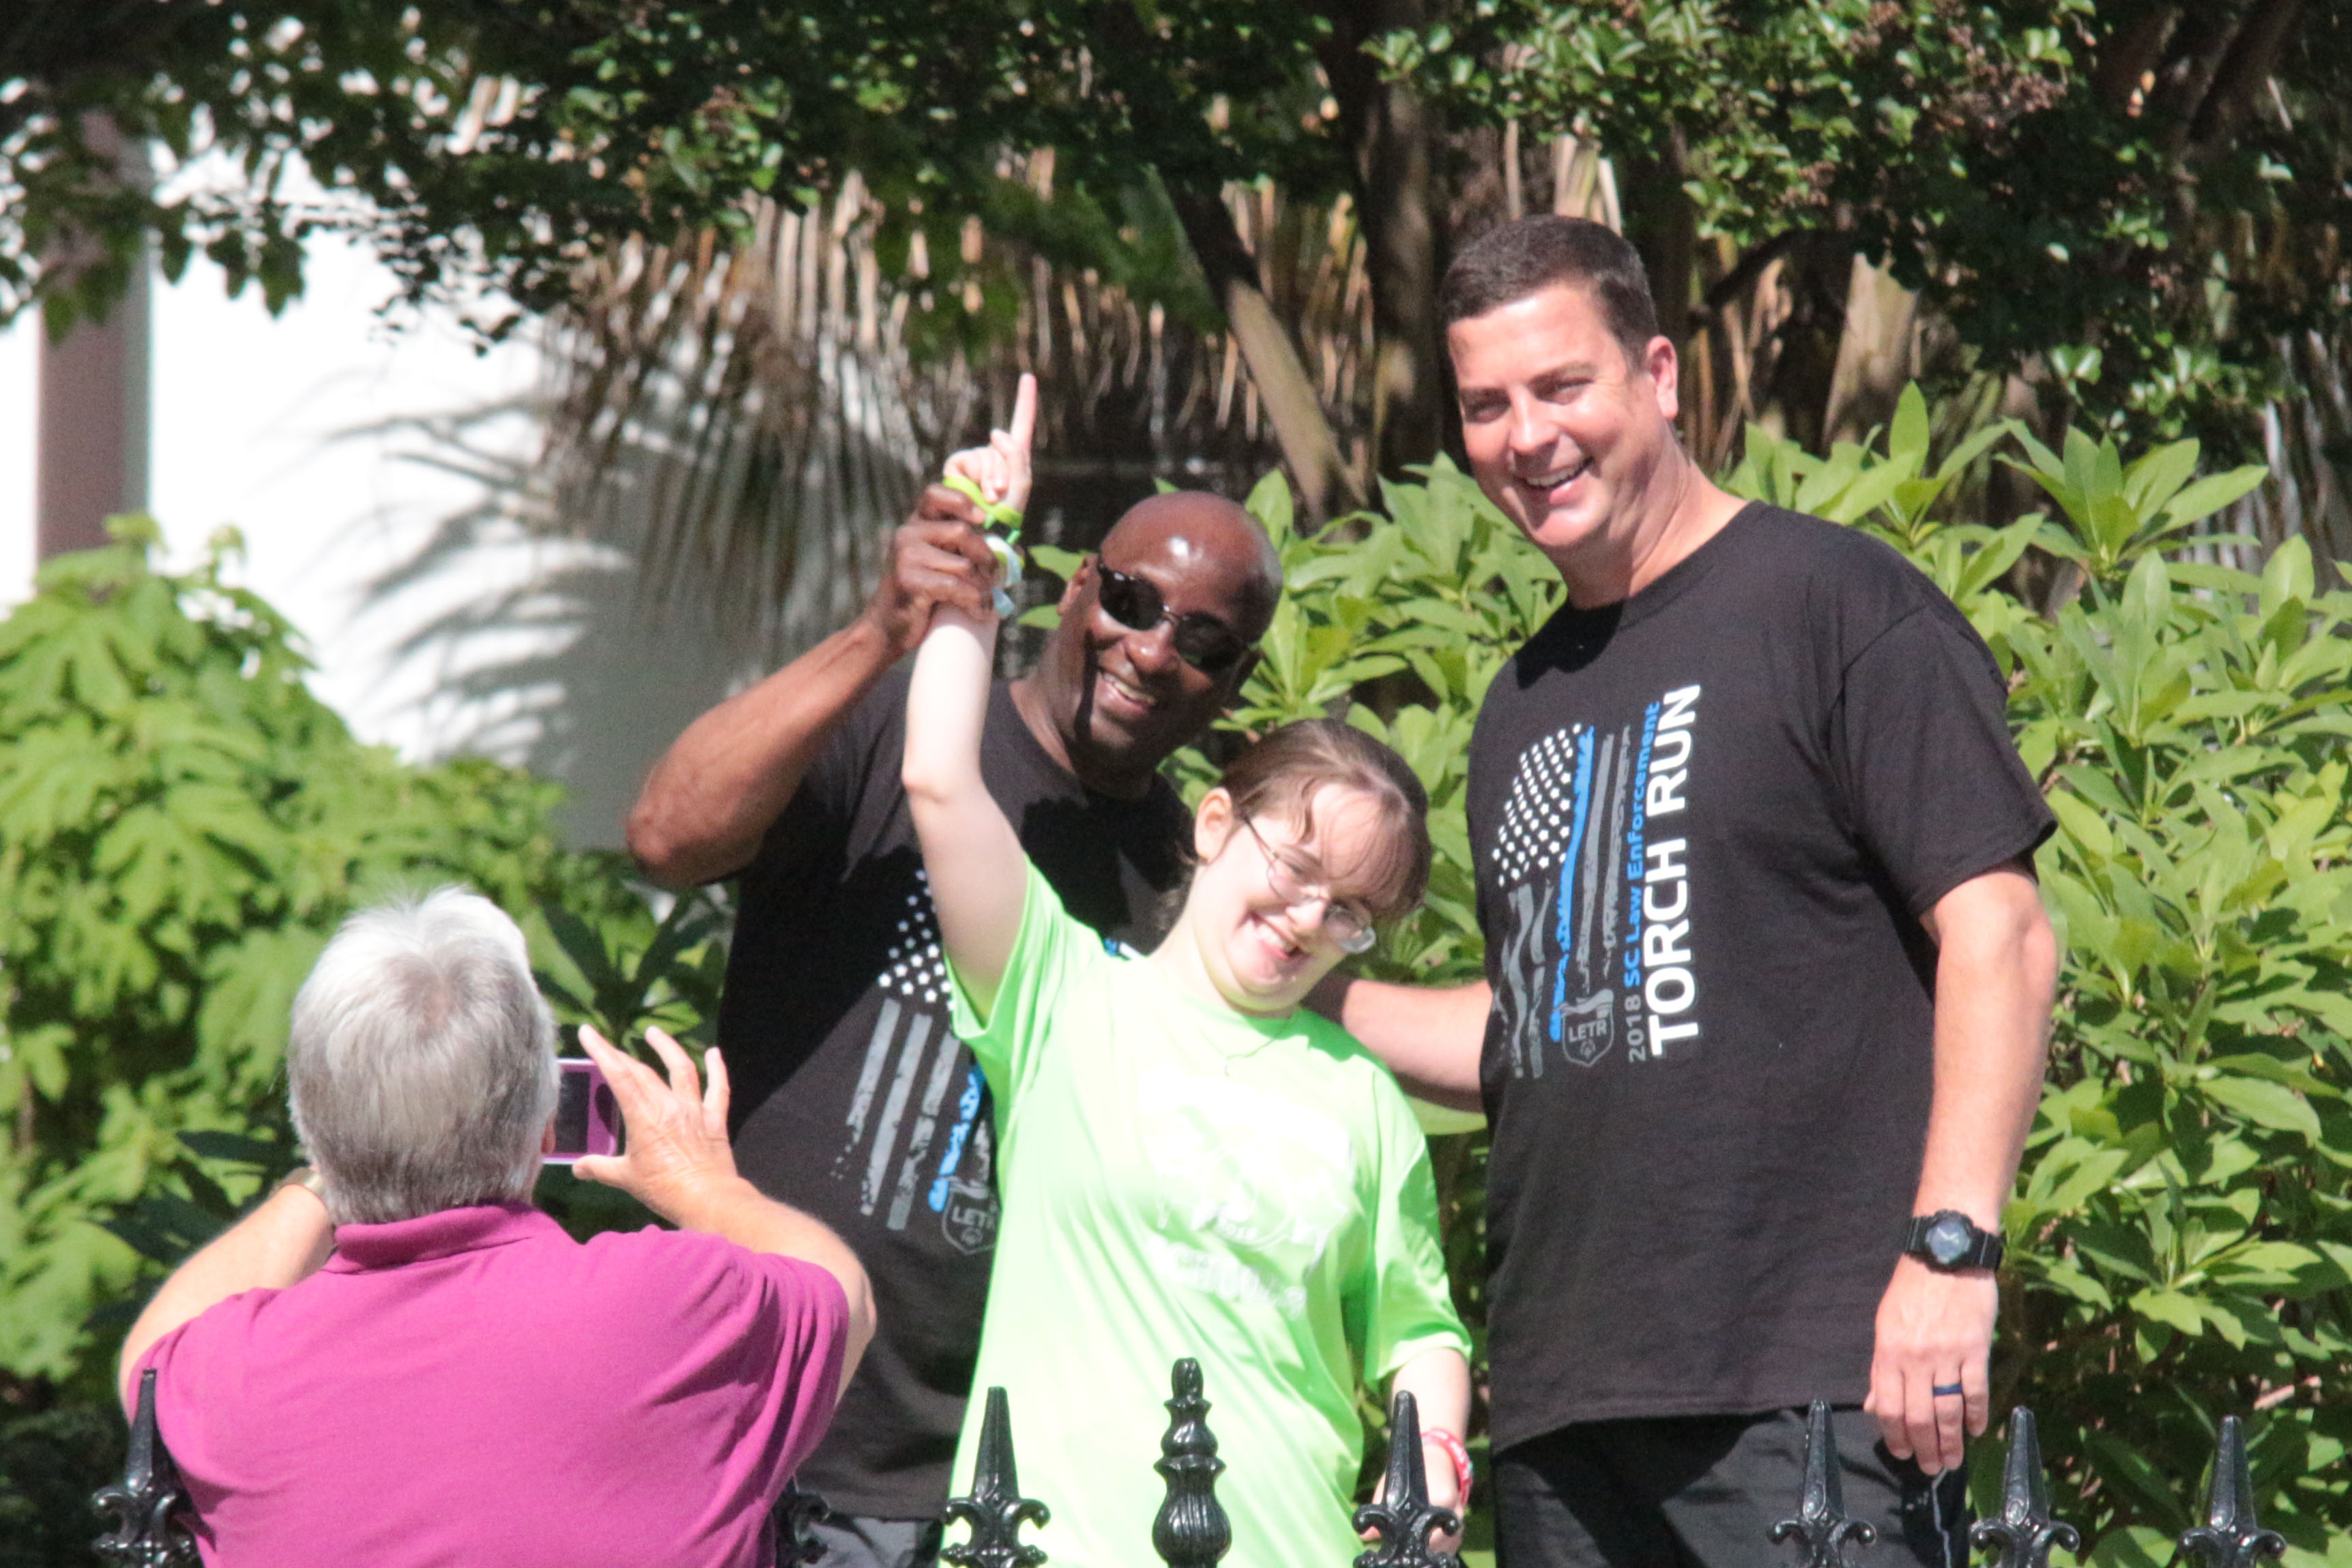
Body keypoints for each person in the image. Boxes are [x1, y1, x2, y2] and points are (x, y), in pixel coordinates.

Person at [1316, 215, 2061, 1567]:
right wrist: (1298, 987)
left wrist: (1951, 1255)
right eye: (1485, 405)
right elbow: (1541, 1020)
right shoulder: (1521, 703)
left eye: (1562, 386)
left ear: (1657, 375)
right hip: (1563, 1414)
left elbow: (1998, 933)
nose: (1526, 436)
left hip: (1808, 1390)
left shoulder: (1832, 603)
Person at [626, 377, 1289, 1568]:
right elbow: (666, 837)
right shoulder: (898, 721)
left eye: (1201, 643)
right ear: (1075, 585)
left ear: (1234, 685)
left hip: (996, 1477)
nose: (1149, 649)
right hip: (752, 1406)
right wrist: (883, 629)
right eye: (1131, 599)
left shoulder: (1178, 878)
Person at [896, 424, 1473, 1568]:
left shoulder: (1363, 1100)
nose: (1306, 917)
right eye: (1295, 867)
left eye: (1349, 910)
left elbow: (1419, 1331)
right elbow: (938, 778)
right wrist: (981, 555)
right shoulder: (1057, 996)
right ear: (1216, 825)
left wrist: (1435, 1463)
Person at [116, 888, 877, 1568]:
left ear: (313, 1129)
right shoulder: (675, 1302)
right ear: (546, 1125)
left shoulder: (224, 1373)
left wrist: (325, 1175)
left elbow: (150, 1355)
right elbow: (842, 1291)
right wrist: (705, 1187)